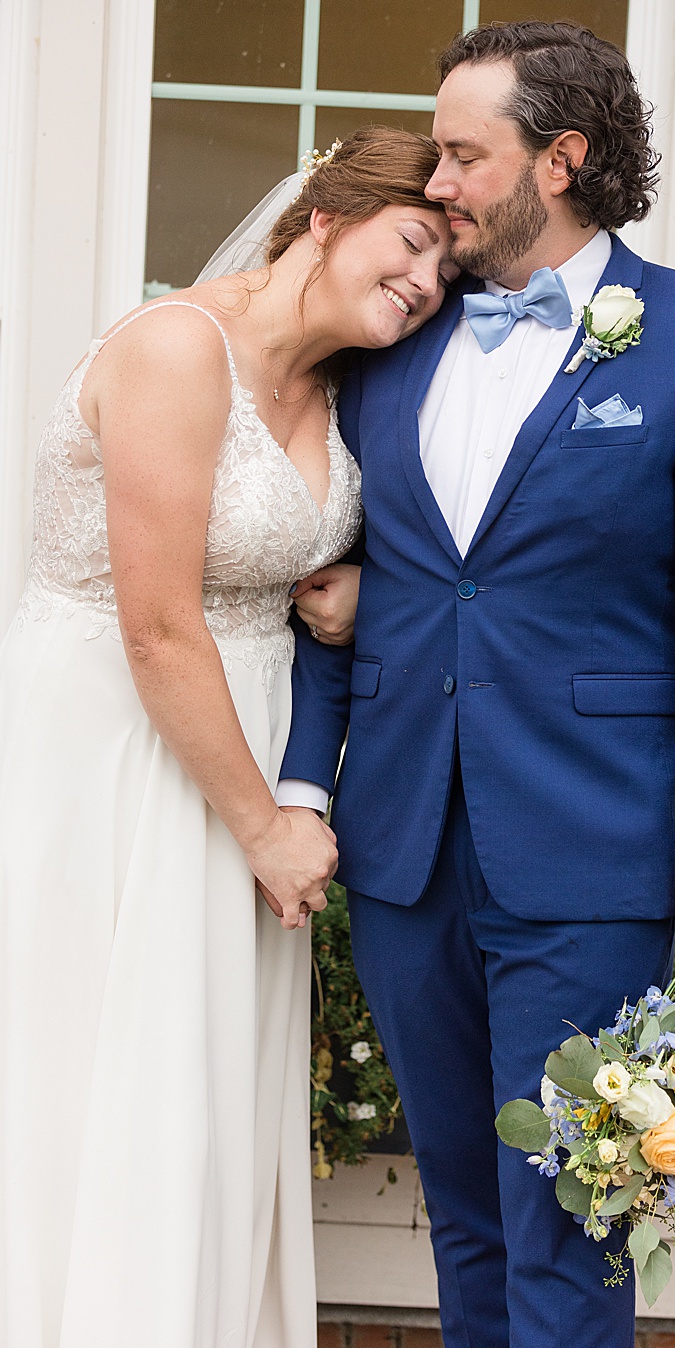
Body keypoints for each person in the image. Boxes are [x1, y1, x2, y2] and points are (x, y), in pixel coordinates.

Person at [277, 22, 675, 1347]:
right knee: (461, 1208)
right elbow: (371, 581)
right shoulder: (393, 340)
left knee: (568, 1219)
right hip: (403, 848)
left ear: (557, 161)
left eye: (464, 153)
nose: (435, 183)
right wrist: (310, 768)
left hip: (592, 853)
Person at [0, 128, 452, 1345]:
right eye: (412, 242)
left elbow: (349, 560)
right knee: (103, 1064)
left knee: (198, 1084)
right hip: (119, 743)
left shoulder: (345, 387)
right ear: (325, 217)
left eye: (444, 276)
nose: (422, 285)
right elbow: (156, 623)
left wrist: (364, 590)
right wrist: (264, 824)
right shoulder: (172, 349)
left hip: (251, 739)